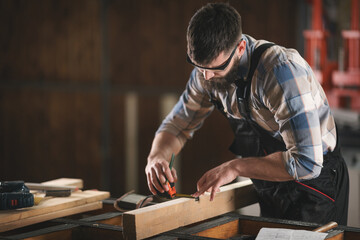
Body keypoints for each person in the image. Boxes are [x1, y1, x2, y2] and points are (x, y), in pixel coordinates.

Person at [145, 2, 349, 225]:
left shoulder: (280, 71)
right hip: (272, 185)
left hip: (315, 188)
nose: (206, 77)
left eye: (215, 69)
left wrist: (234, 167)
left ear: (240, 48)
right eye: (198, 67)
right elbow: (177, 126)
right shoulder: (205, 73)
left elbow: (307, 162)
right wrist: (157, 157)